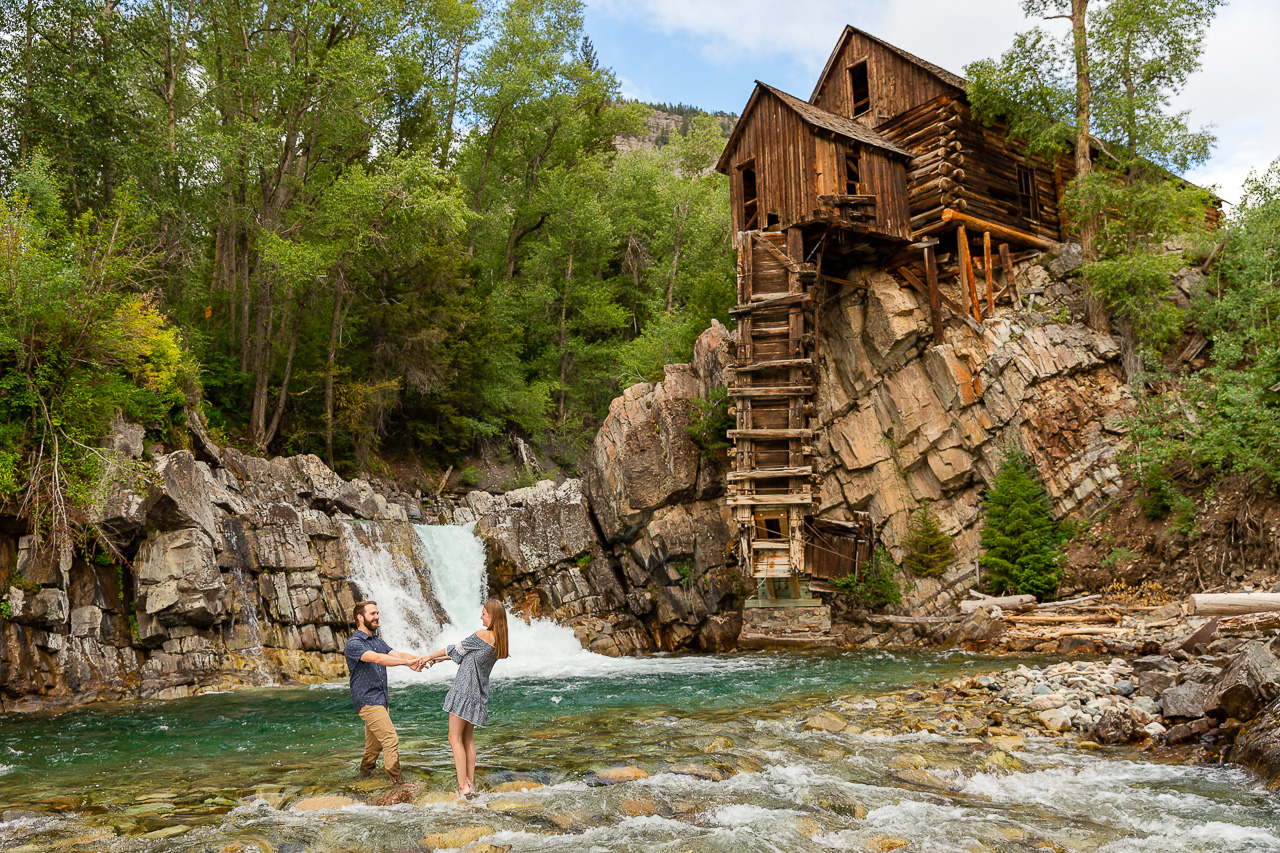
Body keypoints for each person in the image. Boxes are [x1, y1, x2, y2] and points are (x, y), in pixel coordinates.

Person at [421, 598, 509, 797]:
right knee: (467, 739)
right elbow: (462, 654)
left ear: (492, 616)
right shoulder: (498, 639)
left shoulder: (483, 634)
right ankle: (470, 785)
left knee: (454, 738)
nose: (481, 616)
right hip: (477, 693)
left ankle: (462, 787)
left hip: (463, 691)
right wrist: (436, 659)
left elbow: (455, 647)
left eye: (484, 613)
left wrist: (427, 657)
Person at [344, 600, 426, 784]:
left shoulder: (377, 641)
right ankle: (397, 783)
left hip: (380, 700)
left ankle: (364, 778)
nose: (377, 617)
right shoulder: (354, 644)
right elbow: (379, 659)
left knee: (373, 748)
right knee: (390, 739)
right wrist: (407, 664)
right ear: (360, 617)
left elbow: (397, 655)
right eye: (372, 614)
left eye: (377, 613)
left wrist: (421, 659)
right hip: (368, 701)